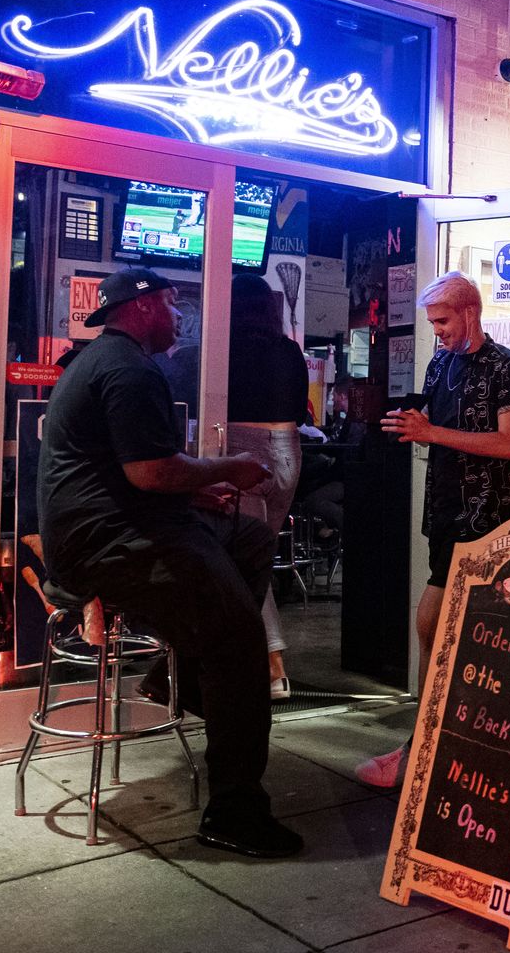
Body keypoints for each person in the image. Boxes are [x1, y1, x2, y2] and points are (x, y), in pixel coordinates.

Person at [38, 267, 301, 857]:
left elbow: (130, 472)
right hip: (113, 547)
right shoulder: (128, 370)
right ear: (144, 307)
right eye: (171, 303)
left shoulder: (107, 362)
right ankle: (234, 810)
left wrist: (193, 491)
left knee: (250, 540)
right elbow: (150, 472)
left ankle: (175, 674)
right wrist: (227, 467)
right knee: (238, 639)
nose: (179, 315)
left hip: (120, 529)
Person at [356, 273, 510, 787]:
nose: (436, 332)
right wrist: (408, 421)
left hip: (489, 520)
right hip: (446, 513)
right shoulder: (442, 362)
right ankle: (432, 742)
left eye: (442, 321)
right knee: (438, 633)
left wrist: (429, 431)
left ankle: (438, 749)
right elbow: (435, 423)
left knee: (472, 638)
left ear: (470, 312)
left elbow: (506, 444)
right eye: (432, 322)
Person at [225, 273, 310, 701]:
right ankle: (254, 659)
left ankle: (272, 665)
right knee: (254, 558)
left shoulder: (223, 349)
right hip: (288, 451)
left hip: (243, 449)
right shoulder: (289, 351)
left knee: (244, 561)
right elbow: (302, 410)